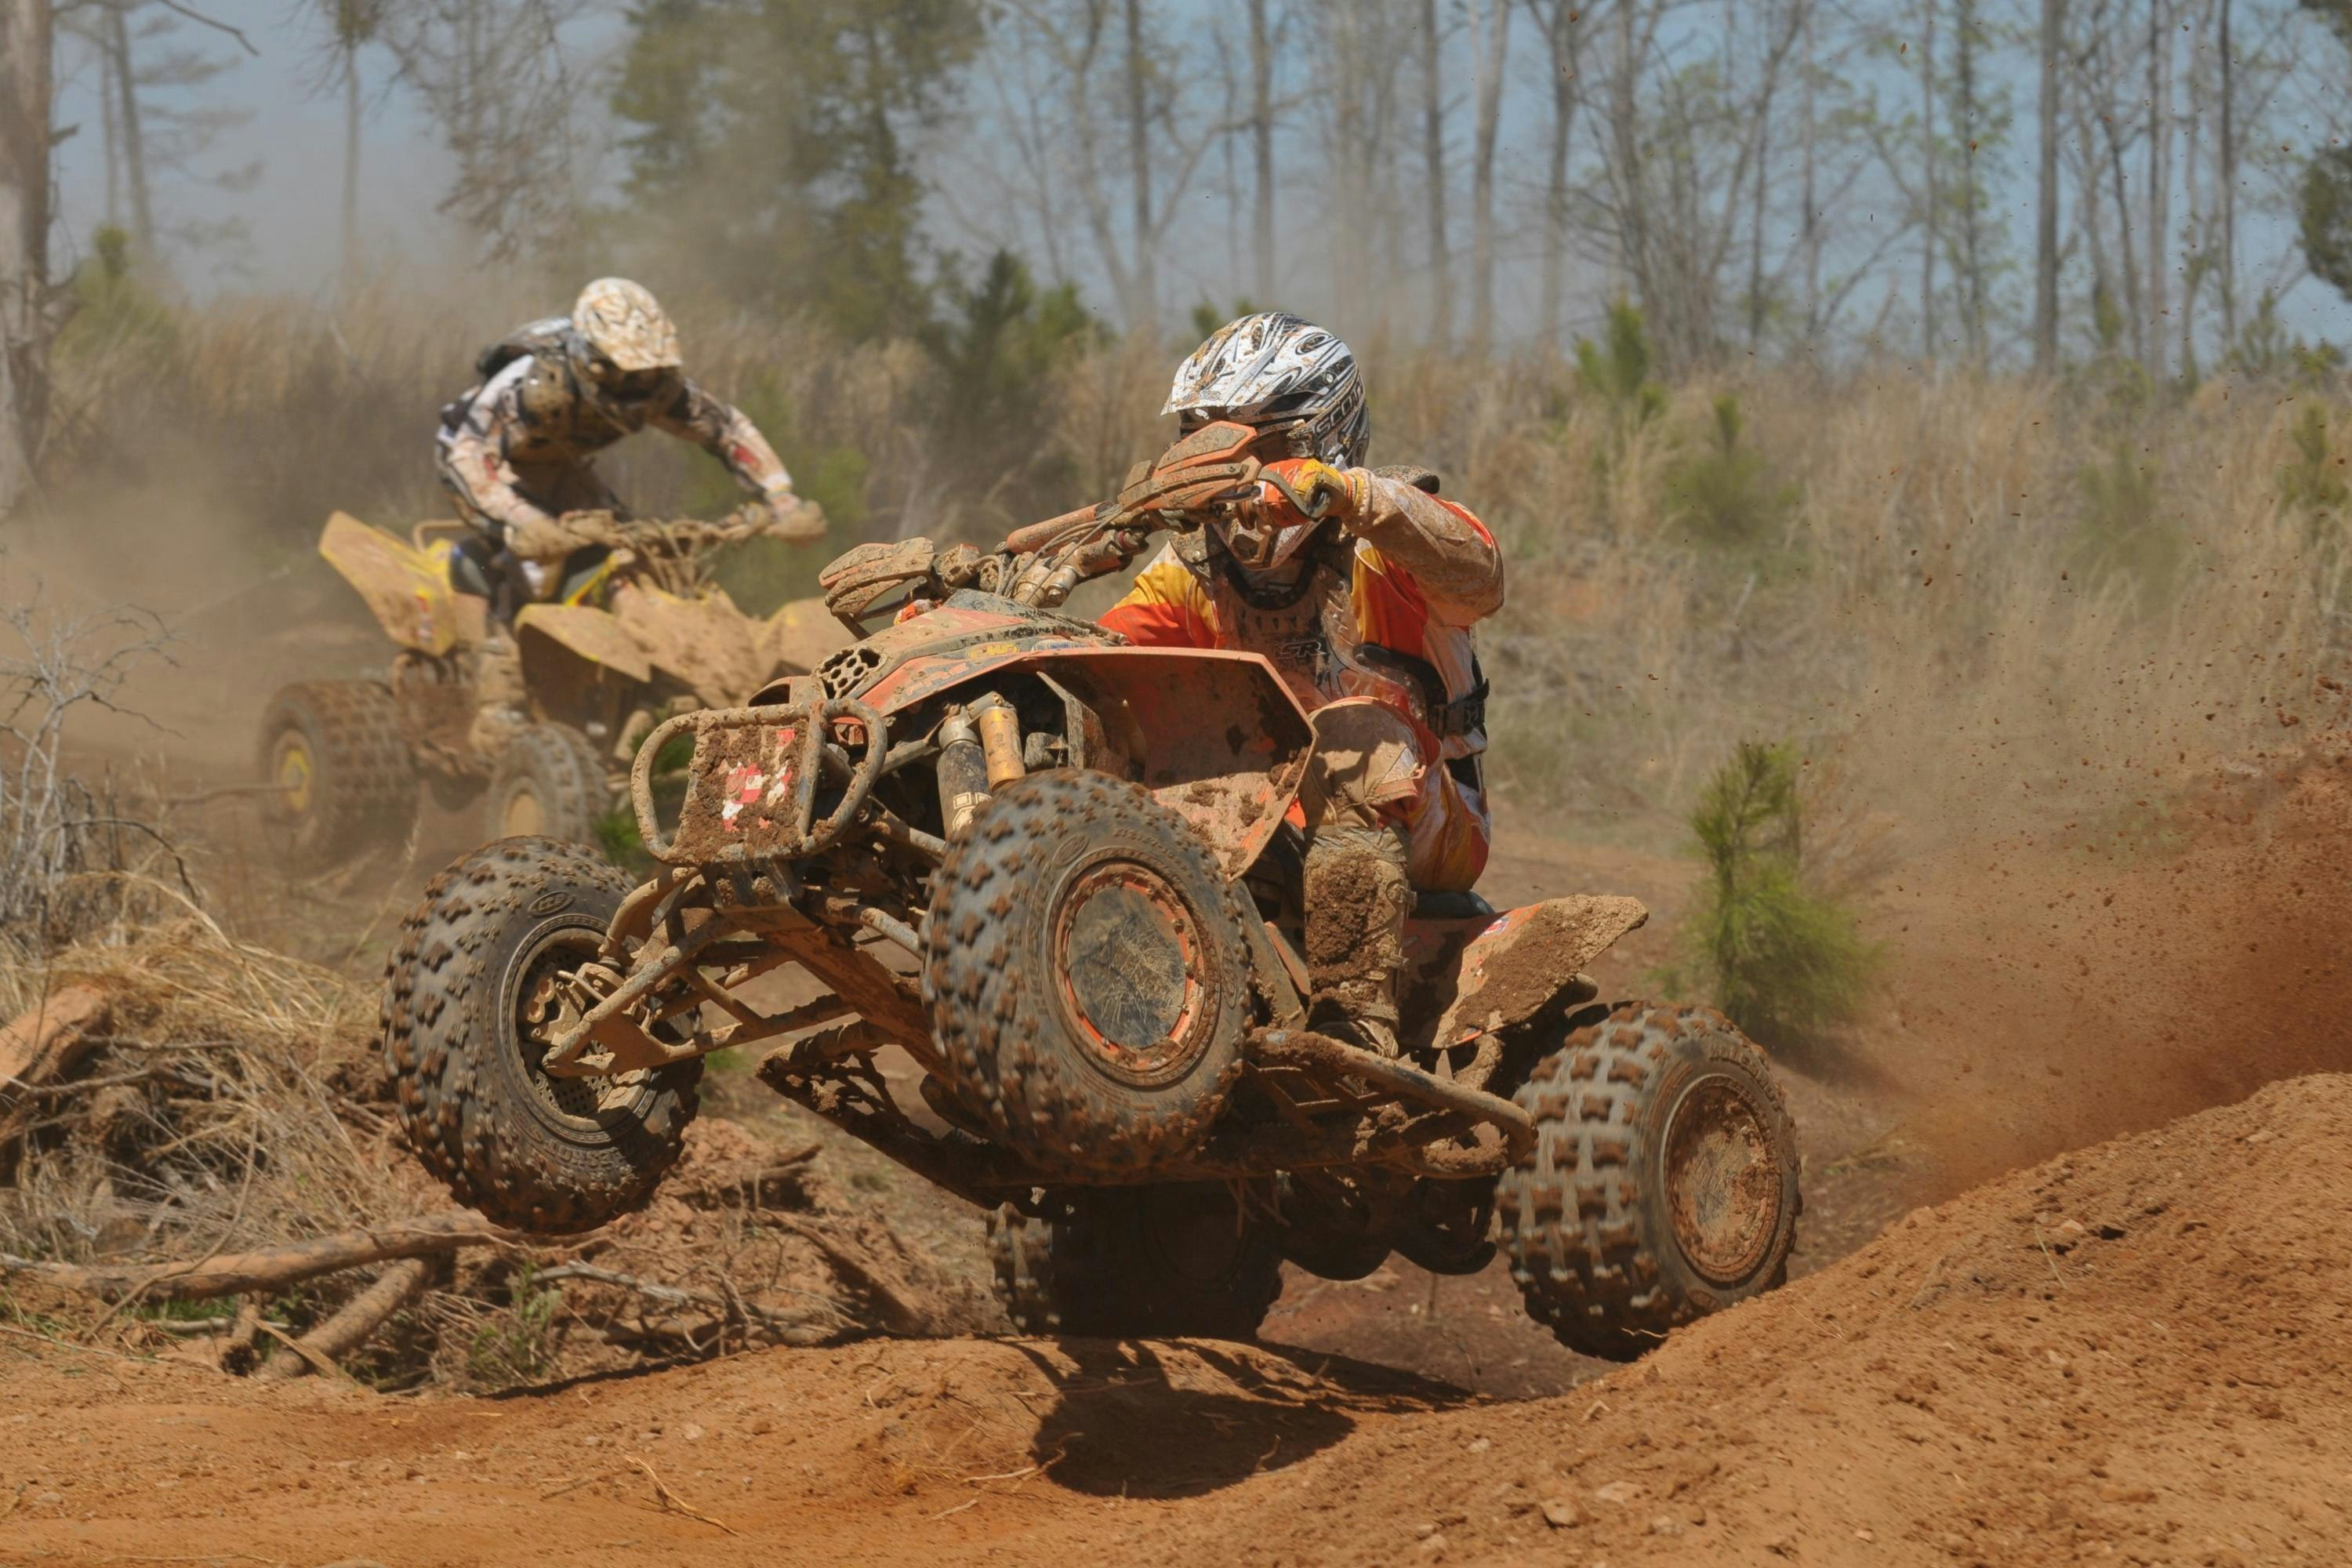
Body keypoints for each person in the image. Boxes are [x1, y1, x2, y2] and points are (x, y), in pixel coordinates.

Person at [1100, 312, 1502, 1056]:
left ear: (1324, 438)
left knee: (1351, 735)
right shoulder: (1189, 571)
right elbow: (1103, 662)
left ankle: (1357, 1021)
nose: (1238, 472)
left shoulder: (1392, 551)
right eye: (1209, 443)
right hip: (1255, 813)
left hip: (1431, 818)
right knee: (1088, 724)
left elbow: (1480, 576)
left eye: (1267, 447)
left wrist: (1349, 495)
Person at [435, 278, 822, 753]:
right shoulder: (527, 384)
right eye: (624, 374)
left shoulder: (657, 386)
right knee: (535, 567)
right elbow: (468, 454)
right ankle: (498, 698)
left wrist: (781, 498)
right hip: (486, 464)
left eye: (647, 373)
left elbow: (726, 428)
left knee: (630, 553)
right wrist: (525, 522)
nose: (636, 389)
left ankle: (650, 683)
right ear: (589, 358)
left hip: (566, 467)